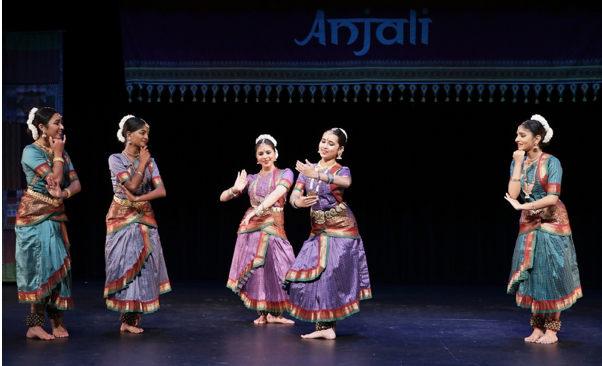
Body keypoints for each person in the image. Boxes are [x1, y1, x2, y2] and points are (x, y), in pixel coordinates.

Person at [284, 127, 371, 339]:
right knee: (309, 275)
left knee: (331, 277)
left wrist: (319, 175)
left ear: (340, 150)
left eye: (331, 143)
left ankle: (327, 328)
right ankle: (324, 328)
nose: (325, 145)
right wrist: (299, 202)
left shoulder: (341, 170)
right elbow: (294, 195)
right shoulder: (307, 170)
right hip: (318, 230)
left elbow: (346, 183)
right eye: (323, 140)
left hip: (341, 229)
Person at [504, 114, 582, 345]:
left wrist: (524, 206)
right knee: (535, 274)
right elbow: (514, 193)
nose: (517, 139)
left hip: (553, 224)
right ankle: (537, 328)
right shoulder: (517, 161)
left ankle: (552, 331)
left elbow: (552, 197)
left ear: (536, 139)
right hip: (529, 223)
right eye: (517, 135)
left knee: (553, 274)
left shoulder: (551, 162)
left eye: (522, 135)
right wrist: (517, 163)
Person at [15, 107, 81, 340]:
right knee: (40, 271)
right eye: (57, 123)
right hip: (34, 218)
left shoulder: (61, 151)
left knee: (58, 270)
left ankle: (57, 321)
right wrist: (58, 155)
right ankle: (34, 325)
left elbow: (75, 184)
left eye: (61, 123)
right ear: (42, 127)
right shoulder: (30, 151)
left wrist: (64, 194)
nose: (61, 127)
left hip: (55, 216)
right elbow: (53, 178)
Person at [104, 115, 171, 333]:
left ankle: (131, 319)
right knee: (126, 264)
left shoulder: (151, 161)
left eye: (147, 134)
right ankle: (126, 319)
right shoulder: (115, 159)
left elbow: (161, 191)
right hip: (122, 218)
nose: (146, 137)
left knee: (145, 267)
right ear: (128, 135)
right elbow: (131, 186)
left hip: (144, 216)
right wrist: (142, 163)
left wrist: (139, 200)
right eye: (142, 133)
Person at [221, 134, 296, 325]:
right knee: (259, 271)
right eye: (261, 153)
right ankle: (264, 313)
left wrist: (258, 210)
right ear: (256, 158)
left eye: (268, 152)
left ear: (275, 153)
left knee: (281, 267)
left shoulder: (285, 173)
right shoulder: (252, 179)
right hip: (251, 228)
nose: (265, 156)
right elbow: (223, 198)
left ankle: (276, 313)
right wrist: (235, 189)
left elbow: (279, 192)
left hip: (273, 224)